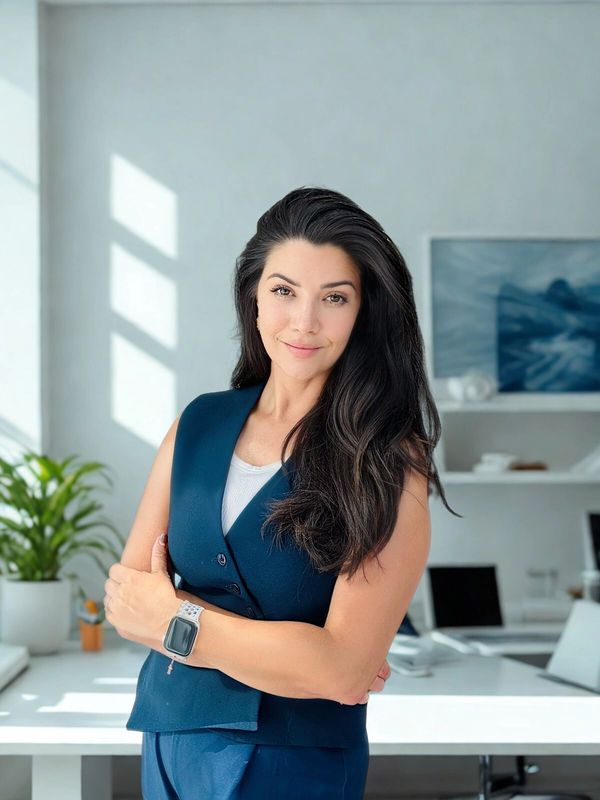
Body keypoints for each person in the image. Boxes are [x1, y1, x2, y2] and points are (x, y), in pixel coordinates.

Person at [104, 186, 457, 799]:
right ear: (254, 297)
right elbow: (126, 600)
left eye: (334, 298)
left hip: (292, 763)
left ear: (364, 312)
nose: (305, 322)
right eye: (284, 291)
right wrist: (297, 654)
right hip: (166, 744)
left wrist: (173, 615)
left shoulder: (387, 459)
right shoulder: (198, 423)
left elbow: (343, 670)